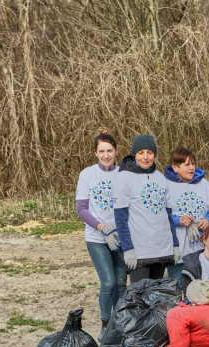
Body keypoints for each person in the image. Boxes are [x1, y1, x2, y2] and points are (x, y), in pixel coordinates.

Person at [75, 130, 125, 331]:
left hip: (120, 237)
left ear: (116, 151)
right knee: (109, 283)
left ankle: (119, 325)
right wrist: (101, 227)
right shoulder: (87, 175)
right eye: (102, 151)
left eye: (110, 150)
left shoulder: (124, 174)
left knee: (121, 283)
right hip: (97, 238)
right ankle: (106, 324)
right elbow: (81, 209)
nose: (106, 155)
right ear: (95, 153)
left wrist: (120, 228)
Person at [114, 134, 180, 283]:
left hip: (161, 247)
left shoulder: (160, 178)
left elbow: (168, 216)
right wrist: (128, 248)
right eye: (141, 153)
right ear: (134, 154)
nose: (145, 157)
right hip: (139, 250)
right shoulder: (124, 178)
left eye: (150, 153)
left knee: (155, 296)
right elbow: (121, 219)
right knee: (140, 298)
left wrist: (175, 245)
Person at [165, 147, 209, 285]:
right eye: (186, 164)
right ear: (175, 167)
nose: (191, 168)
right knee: (177, 285)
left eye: (193, 163)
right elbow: (161, 215)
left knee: (199, 285)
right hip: (177, 245)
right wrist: (179, 220)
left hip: (199, 244)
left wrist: (208, 220)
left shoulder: (204, 184)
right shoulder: (166, 185)